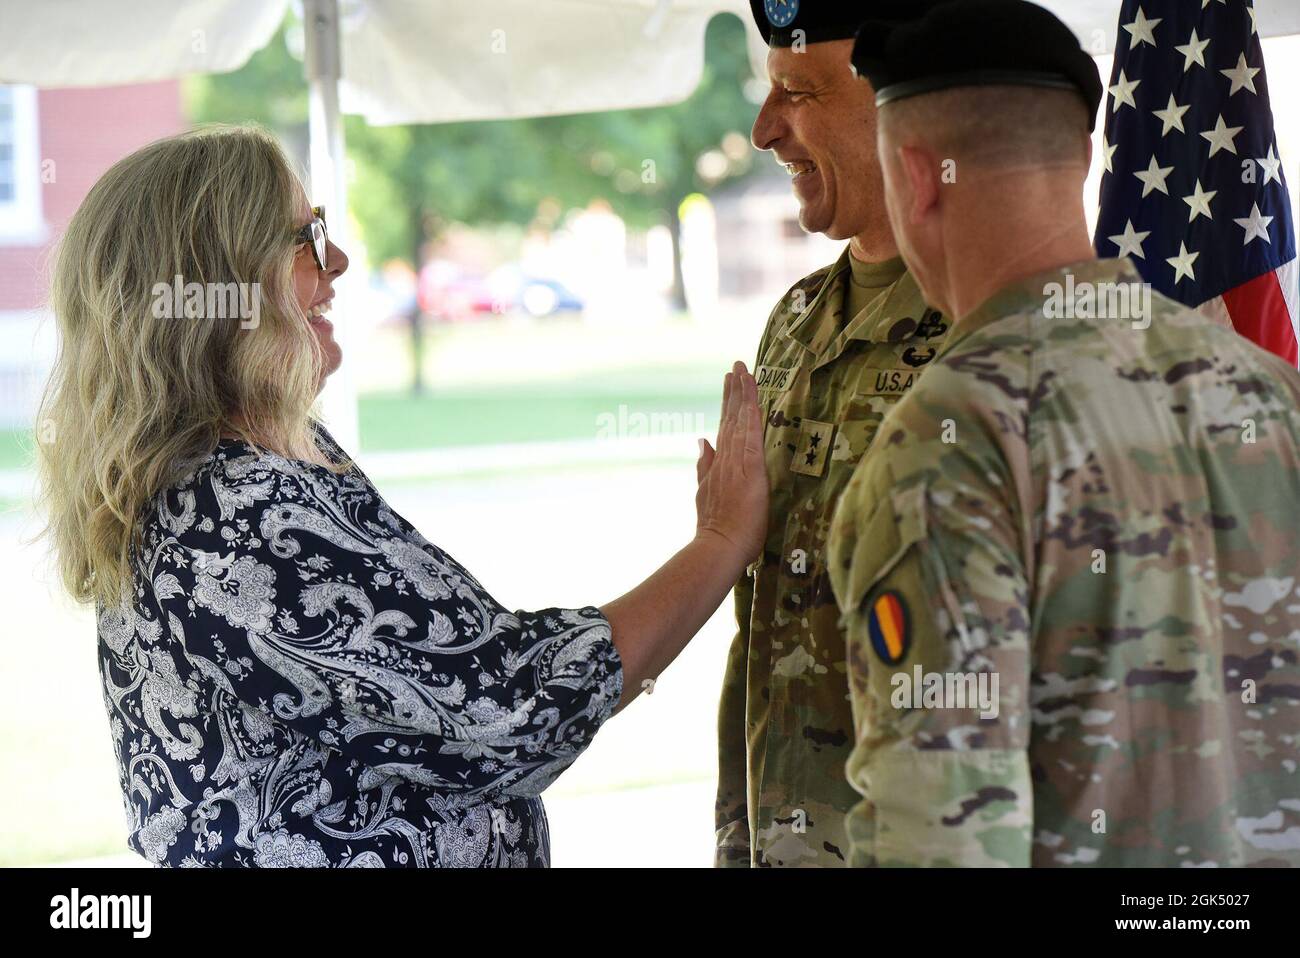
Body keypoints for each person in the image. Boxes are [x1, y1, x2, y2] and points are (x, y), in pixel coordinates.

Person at [36, 125, 767, 868]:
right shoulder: (228, 516)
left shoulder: (260, 469)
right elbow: (510, 709)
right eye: (305, 239)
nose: (341, 261)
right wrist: (721, 542)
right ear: (215, 289)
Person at [828, 0, 1300, 866]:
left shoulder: (950, 444)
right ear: (1083, 157)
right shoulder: (1271, 390)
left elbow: (943, 839)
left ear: (917, 177)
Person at [715, 0, 947, 867]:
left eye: (800, 94)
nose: (764, 129)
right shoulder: (796, 320)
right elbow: (759, 629)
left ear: (903, 102)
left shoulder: (989, 329)